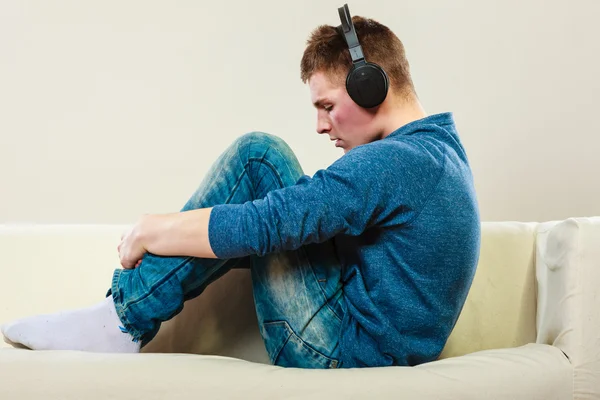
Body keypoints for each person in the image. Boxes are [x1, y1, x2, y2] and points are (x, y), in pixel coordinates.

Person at [1, 8, 481, 369]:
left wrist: (151, 229)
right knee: (269, 178)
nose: (320, 125)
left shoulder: (399, 162)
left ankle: (120, 321)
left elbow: (271, 223)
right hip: (366, 349)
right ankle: (119, 318)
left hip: (340, 357)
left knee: (260, 157)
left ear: (370, 86)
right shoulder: (438, 151)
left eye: (327, 106)